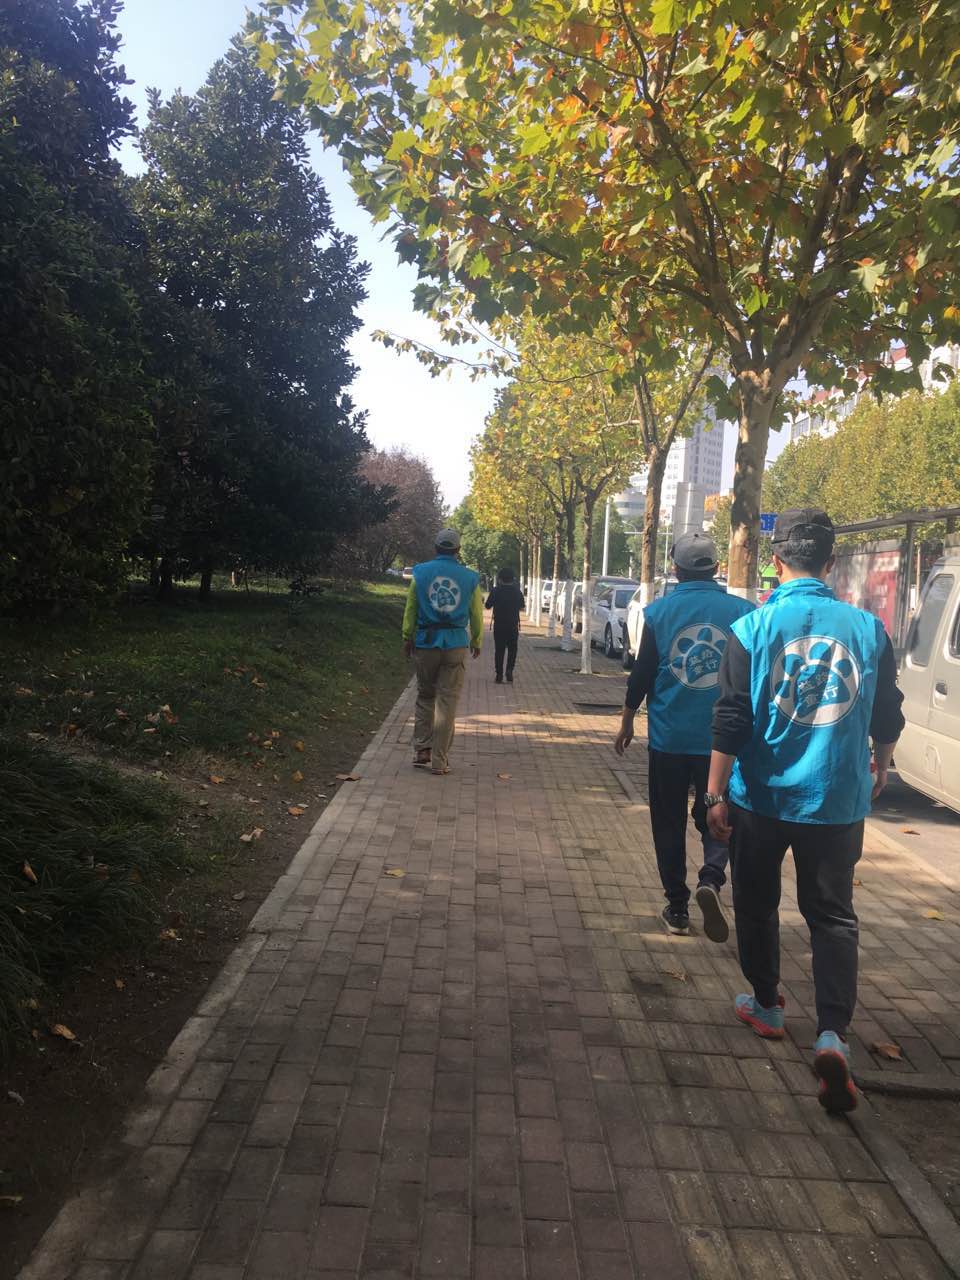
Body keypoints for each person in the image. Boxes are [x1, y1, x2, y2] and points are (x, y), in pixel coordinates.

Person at [706, 508, 904, 1113]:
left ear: (775, 561)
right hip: (836, 800)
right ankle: (832, 1035)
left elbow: (732, 718)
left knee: (757, 904)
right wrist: (882, 764)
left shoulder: (751, 628)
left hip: (761, 799)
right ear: (831, 562)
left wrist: (713, 794)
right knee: (833, 917)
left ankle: (767, 1004)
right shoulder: (869, 631)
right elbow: (887, 712)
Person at [615, 532, 755, 941]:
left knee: (668, 822)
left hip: (669, 738)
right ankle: (711, 877)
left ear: (675, 569)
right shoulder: (745, 613)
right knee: (717, 813)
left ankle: (677, 908)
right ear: (716, 568)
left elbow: (642, 675)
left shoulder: (659, 613)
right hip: (723, 744)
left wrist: (627, 721)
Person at [402, 527, 483, 775]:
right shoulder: (470, 578)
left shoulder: (420, 573)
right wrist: (476, 640)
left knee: (425, 696)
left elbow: (411, 608)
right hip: (456, 644)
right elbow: (476, 613)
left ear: (436, 547)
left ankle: (422, 750)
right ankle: (439, 760)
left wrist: (407, 636)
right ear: (458, 550)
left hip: (426, 642)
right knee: (447, 703)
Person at [484, 567, 526, 683]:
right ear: (513, 579)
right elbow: (522, 607)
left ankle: (499, 675)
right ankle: (509, 671)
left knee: (499, 650)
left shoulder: (495, 591)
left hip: (499, 625)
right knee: (512, 649)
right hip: (513, 625)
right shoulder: (517, 592)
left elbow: (487, 606)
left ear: (500, 579)